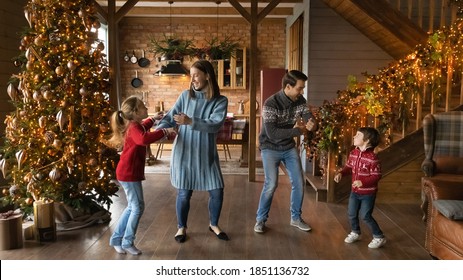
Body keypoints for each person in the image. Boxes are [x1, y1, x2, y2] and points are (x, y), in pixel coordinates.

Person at [156, 59, 229, 243]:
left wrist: (190, 121)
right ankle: (181, 227)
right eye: (192, 75)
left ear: (207, 75)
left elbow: (215, 124)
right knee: (184, 193)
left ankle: (213, 224)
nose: (193, 79)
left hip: (206, 154)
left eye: (196, 75)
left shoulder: (220, 100)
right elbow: (170, 117)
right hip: (185, 152)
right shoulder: (185, 96)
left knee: (217, 191)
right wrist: (163, 128)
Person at [108, 96, 175, 255]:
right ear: (135, 112)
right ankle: (127, 241)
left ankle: (117, 239)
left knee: (133, 206)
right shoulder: (133, 128)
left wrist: (153, 119)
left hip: (128, 172)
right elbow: (143, 139)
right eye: (143, 106)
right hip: (129, 173)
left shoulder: (135, 125)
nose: (146, 108)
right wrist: (165, 130)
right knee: (137, 207)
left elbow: (143, 128)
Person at [254, 70, 317, 234]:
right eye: (299, 88)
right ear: (288, 87)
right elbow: (272, 133)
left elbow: (309, 118)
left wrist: (312, 124)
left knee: (298, 182)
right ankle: (260, 220)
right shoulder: (270, 104)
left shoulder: (300, 100)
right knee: (271, 184)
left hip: (288, 147)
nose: (302, 91)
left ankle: (295, 218)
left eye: (303, 88)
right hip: (269, 147)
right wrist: (298, 131)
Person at [334, 127, 386, 249]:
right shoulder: (353, 153)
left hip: (368, 193)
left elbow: (376, 176)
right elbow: (348, 167)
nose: (354, 136)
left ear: (367, 140)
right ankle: (355, 232)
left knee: (365, 216)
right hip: (354, 192)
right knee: (351, 213)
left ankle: (379, 236)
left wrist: (363, 182)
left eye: (357, 135)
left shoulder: (373, 158)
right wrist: (341, 173)